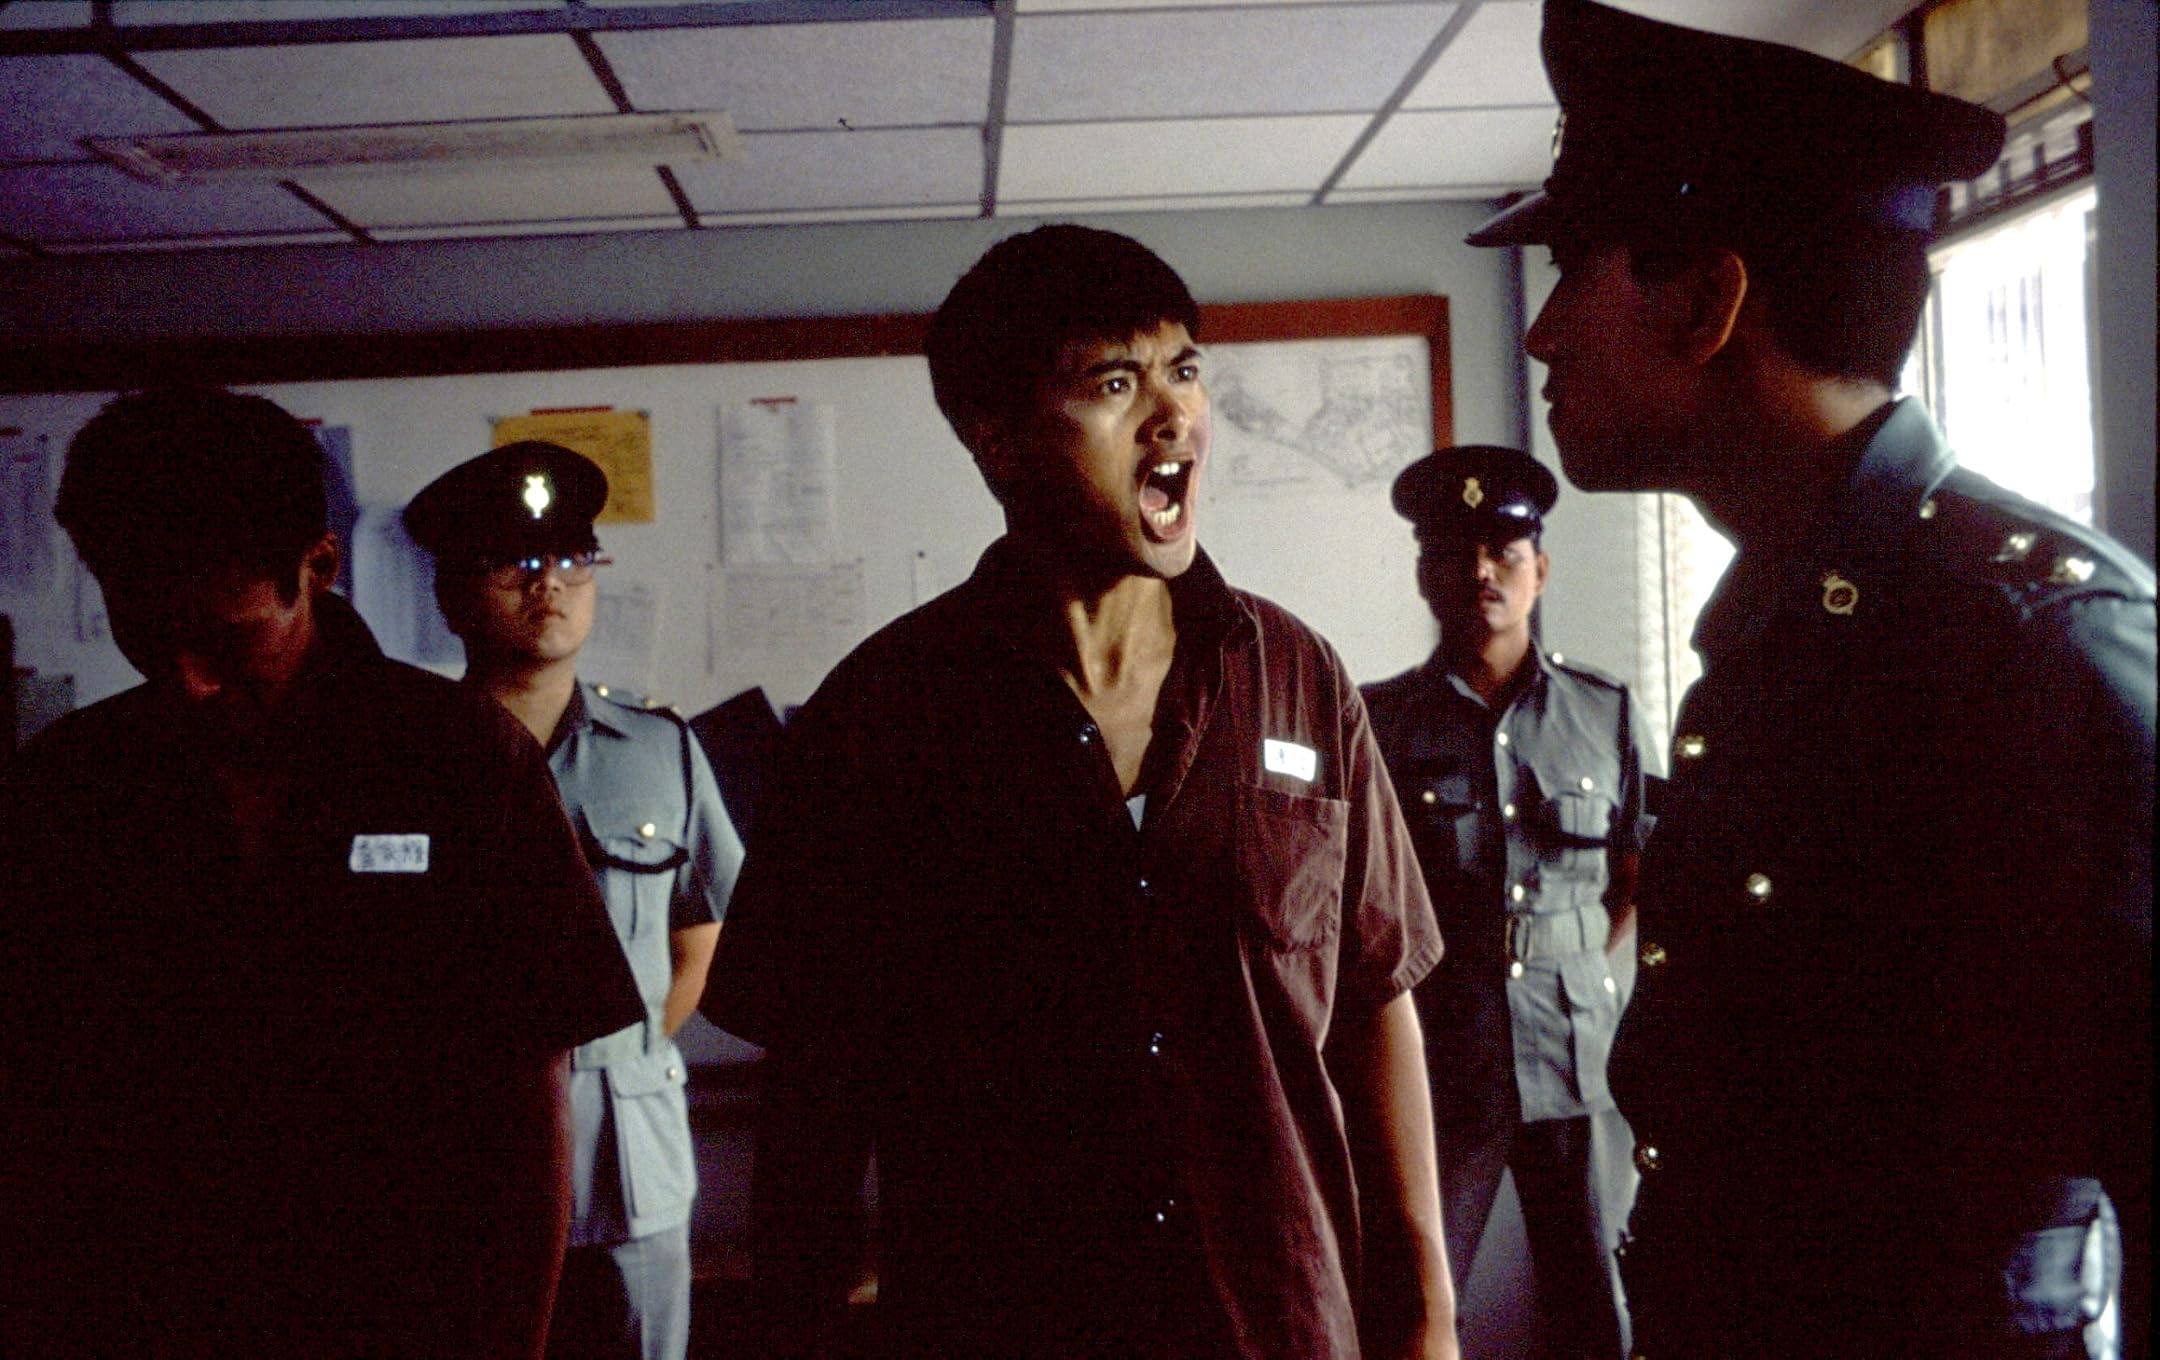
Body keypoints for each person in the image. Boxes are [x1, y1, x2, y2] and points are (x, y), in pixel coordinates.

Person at [1465, 2, 2156, 1356]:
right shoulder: (1785, 616)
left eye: (1574, 271)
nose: (1542, 337)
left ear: (1715, 301)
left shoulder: (2029, 639)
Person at [702, 223, 1459, 1359]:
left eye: (1186, 369)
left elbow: (1375, 998)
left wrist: (1428, 1321)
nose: (1175, 417)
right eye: (1115, 382)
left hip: (1276, 1321)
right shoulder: (881, 718)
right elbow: (815, 1095)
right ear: (995, 437)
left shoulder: (1295, 679)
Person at [0, 388, 645, 1359]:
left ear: (321, 568)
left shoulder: (461, 762)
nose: (187, 681)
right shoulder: (69, 788)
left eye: (229, 641)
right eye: (144, 630)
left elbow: (526, 1112)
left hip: (403, 1310)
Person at [405, 442, 744, 1360]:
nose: (546, 584)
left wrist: (619, 1049)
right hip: (466, 1150)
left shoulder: (661, 747)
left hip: (634, 1143)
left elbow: (699, 934)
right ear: (449, 596)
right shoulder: (406, 759)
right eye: (510, 564)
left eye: (569, 560)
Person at [1363, 445, 1649, 1359]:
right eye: (1453, 553)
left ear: (1539, 569)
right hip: (1442, 1058)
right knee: (1412, 1300)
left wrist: (1563, 961)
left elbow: (1634, 870)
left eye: (1504, 551)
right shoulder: (1378, 722)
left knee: (1596, 1297)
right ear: (1424, 574)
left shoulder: (1603, 712)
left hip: (1577, 1055)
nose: (1480, 572)